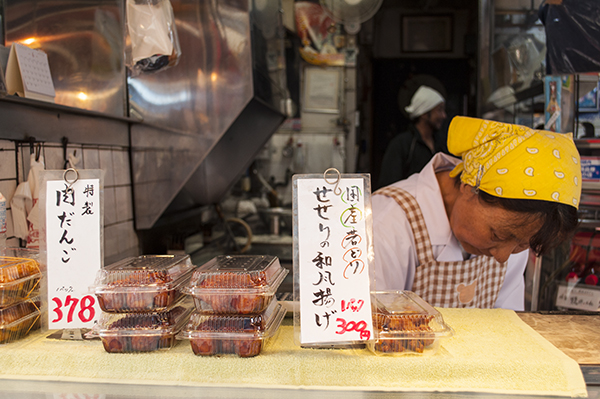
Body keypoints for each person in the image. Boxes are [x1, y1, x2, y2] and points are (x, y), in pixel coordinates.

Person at [372, 116, 581, 310]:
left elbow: (507, 325)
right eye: (497, 235)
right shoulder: (386, 223)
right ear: (469, 187)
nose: (502, 256)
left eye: (523, 245)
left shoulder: (520, 230)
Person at [377, 85, 448, 188]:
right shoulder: (402, 144)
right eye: (439, 110)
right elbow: (389, 185)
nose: (443, 116)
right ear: (424, 113)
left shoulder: (441, 144)